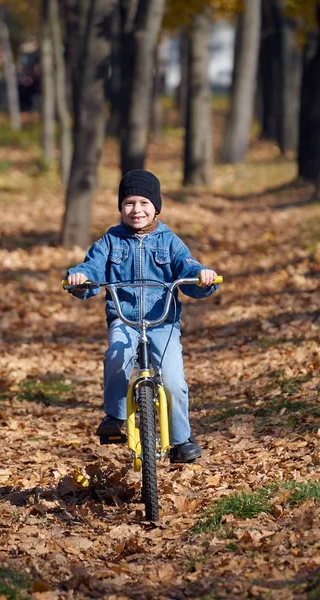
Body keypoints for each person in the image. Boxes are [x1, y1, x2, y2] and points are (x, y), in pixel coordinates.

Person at [66, 169, 218, 463]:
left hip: (163, 321)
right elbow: (92, 268)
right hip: (124, 319)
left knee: (173, 380)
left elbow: (187, 267)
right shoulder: (110, 241)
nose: (136, 210)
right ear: (121, 207)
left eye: (144, 203)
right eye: (129, 203)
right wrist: (80, 277)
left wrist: (202, 276)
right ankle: (115, 416)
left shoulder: (169, 241)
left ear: (156, 207)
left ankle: (180, 440)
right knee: (115, 356)